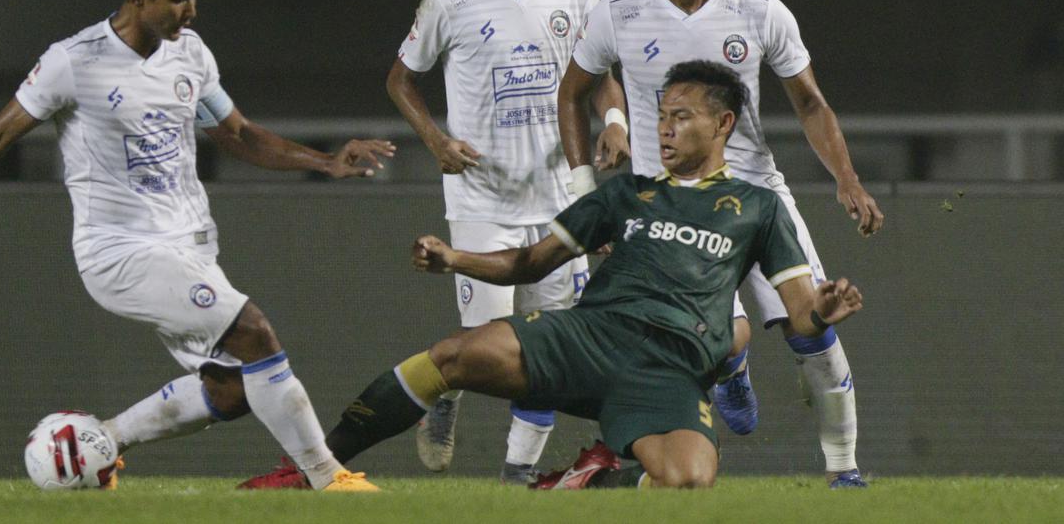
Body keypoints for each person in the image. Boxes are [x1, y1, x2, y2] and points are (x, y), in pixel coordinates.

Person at [0, 0, 392, 492]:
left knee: (232, 390)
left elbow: (238, 133)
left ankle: (104, 441)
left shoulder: (190, 53)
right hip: (121, 253)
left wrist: (325, 161)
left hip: (190, 247)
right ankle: (324, 477)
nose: (191, 11)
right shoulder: (74, 61)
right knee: (255, 332)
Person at [244, 60, 862, 490]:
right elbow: (529, 263)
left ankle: (591, 479)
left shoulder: (759, 207)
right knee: (452, 355)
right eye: (660, 115)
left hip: (669, 368)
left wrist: (824, 312)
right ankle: (309, 469)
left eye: (681, 117)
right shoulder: (627, 195)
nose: (663, 128)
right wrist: (453, 259)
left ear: (723, 124)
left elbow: (799, 311)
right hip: (587, 339)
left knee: (688, 482)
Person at [557, 0, 883, 487]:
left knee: (814, 328)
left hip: (755, 199)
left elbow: (810, 103)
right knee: (713, 342)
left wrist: (847, 178)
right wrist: (585, 199)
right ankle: (730, 368)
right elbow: (571, 93)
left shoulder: (758, 11)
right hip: (668, 212)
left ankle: (845, 474)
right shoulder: (618, 14)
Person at [383, 0, 627, 484]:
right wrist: (435, 140)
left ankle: (516, 478)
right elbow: (401, 79)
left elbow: (599, 80)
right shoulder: (450, 0)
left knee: (549, 350)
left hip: (558, 201)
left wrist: (617, 126)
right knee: (486, 344)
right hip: (482, 199)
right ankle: (445, 395)